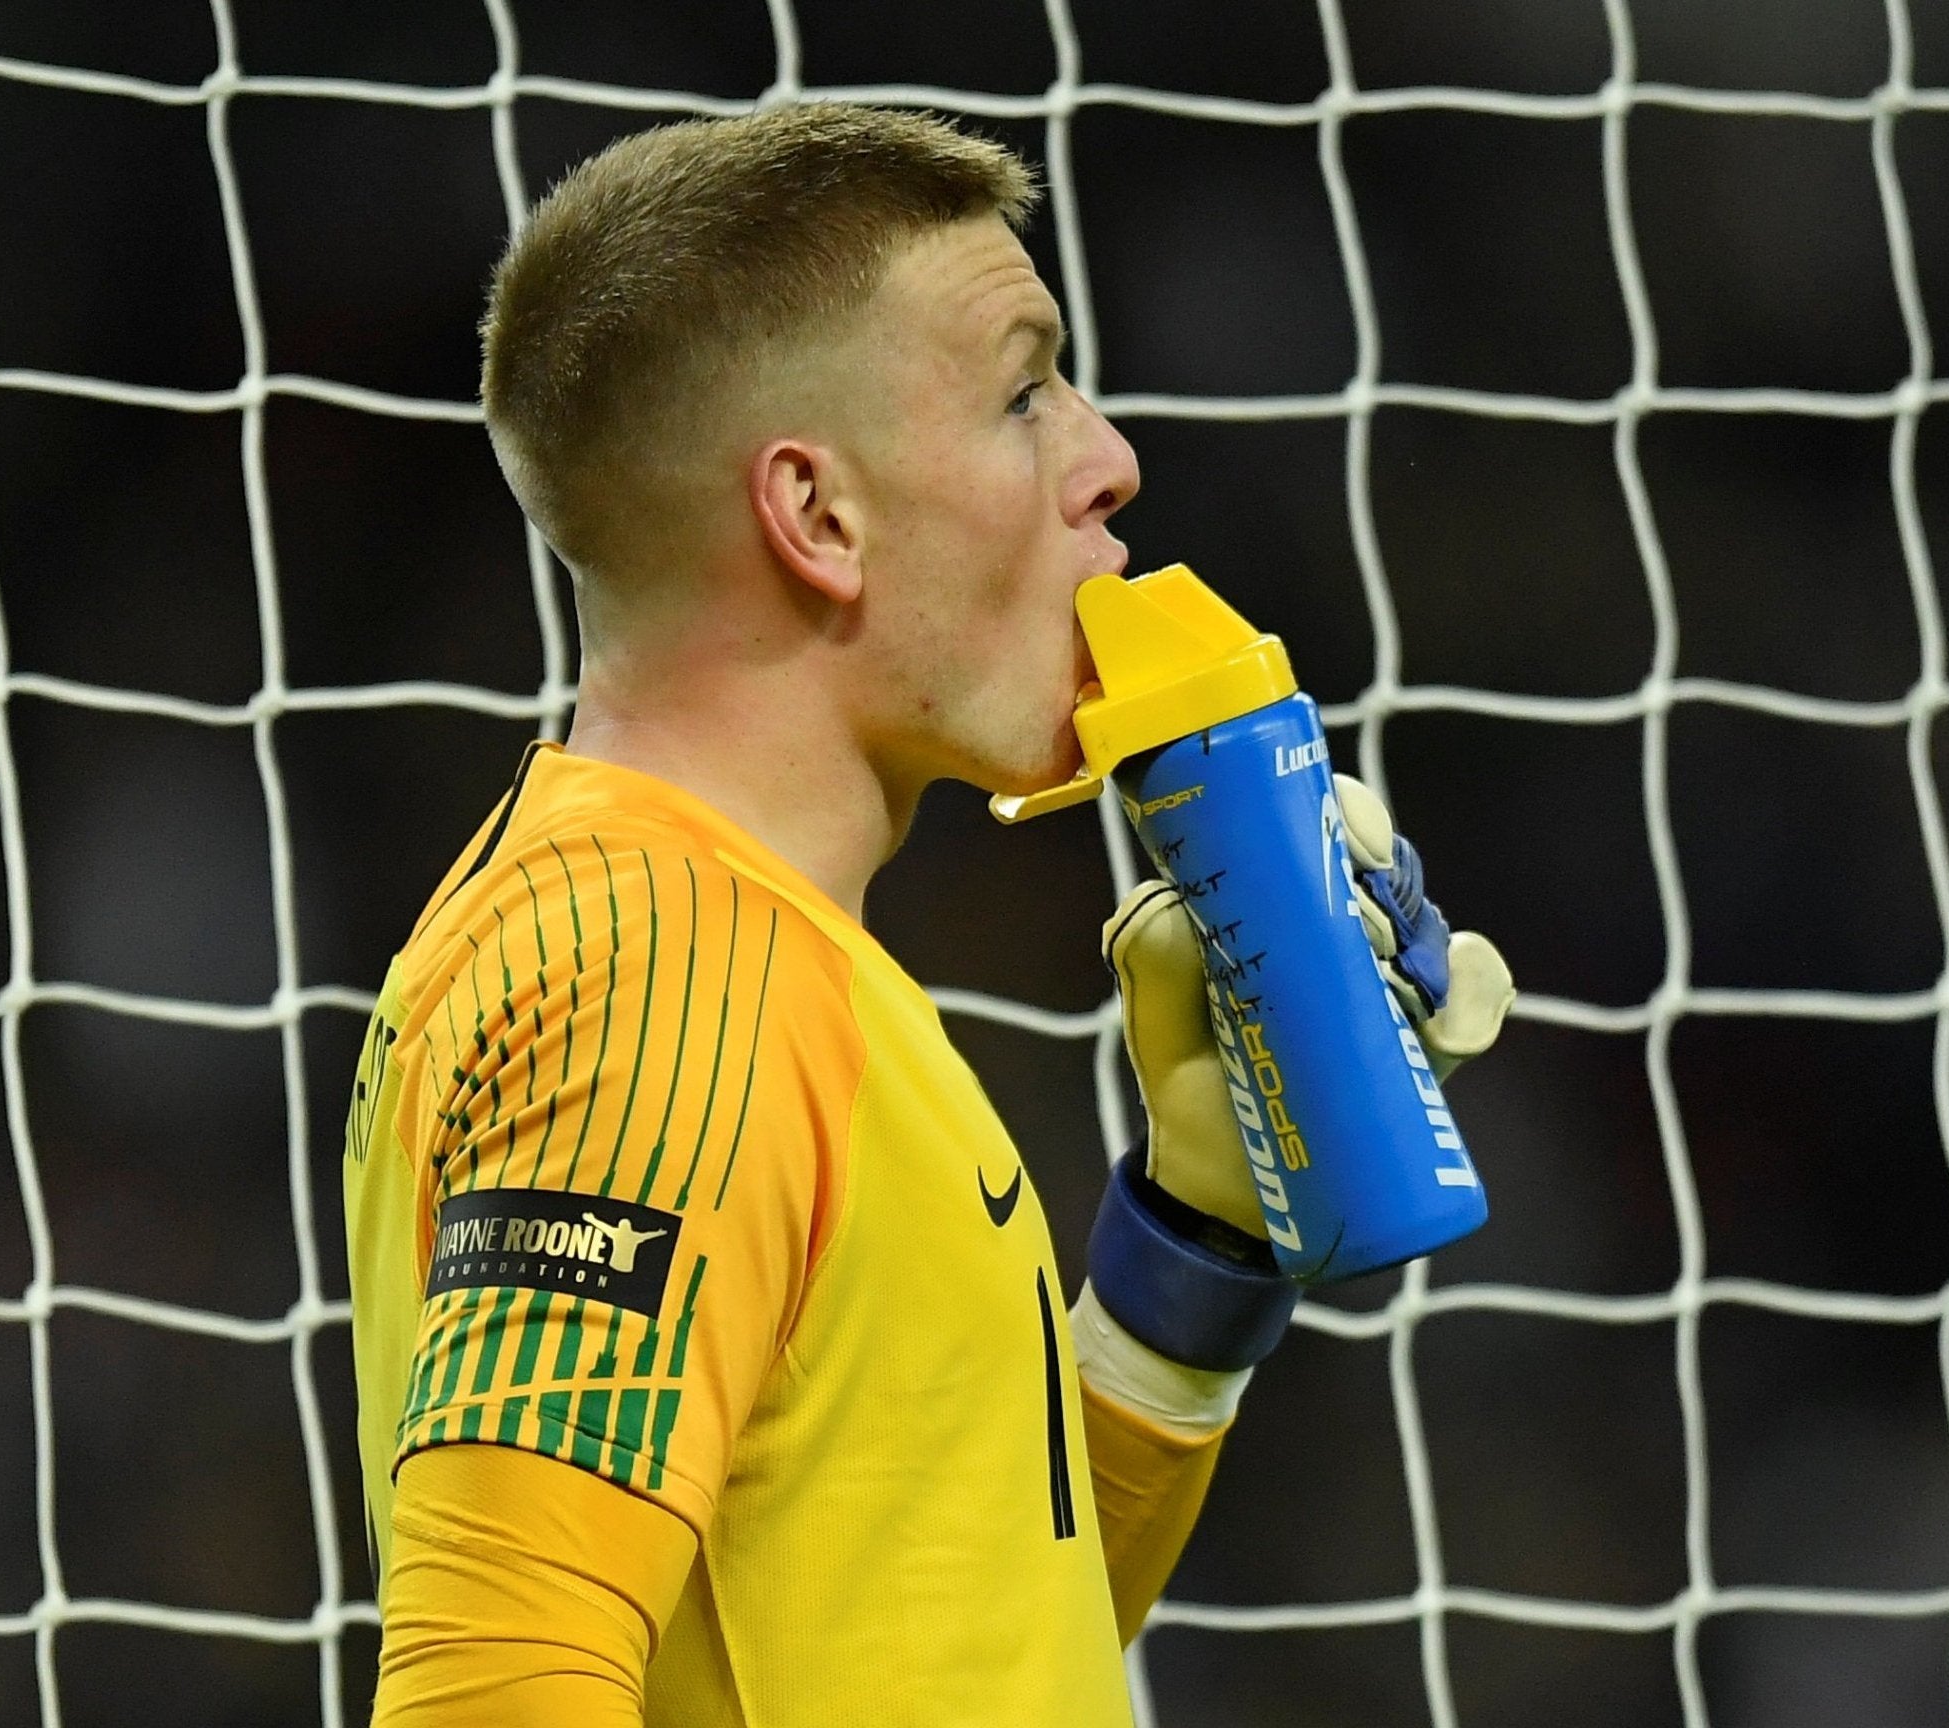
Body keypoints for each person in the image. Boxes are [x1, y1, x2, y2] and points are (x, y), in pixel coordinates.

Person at [342, 104, 1513, 1726]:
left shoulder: (742, 950)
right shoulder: (657, 972)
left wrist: (1204, 1228)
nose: (1108, 457)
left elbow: (963, 1646)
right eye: (1022, 391)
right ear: (817, 516)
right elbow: (496, 1690)